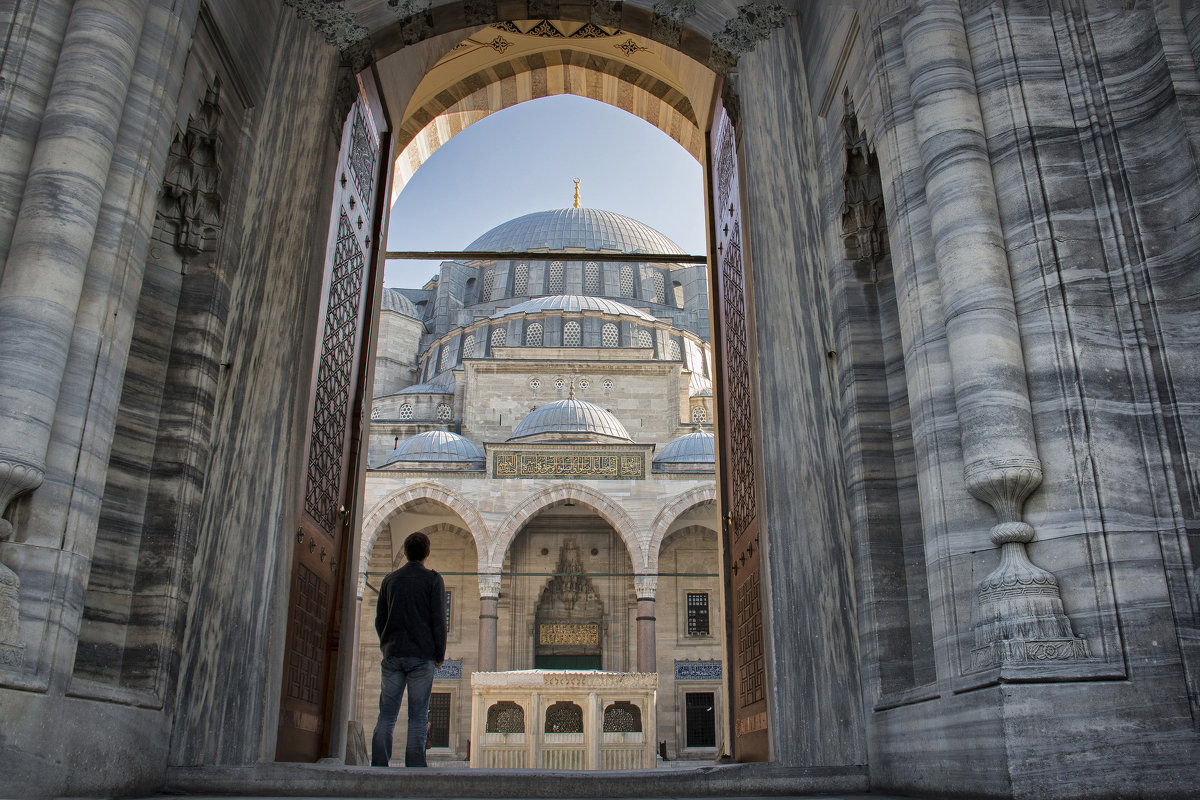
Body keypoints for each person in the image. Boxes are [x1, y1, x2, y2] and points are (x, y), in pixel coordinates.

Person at [371, 531, 446, 767]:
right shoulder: (433, 580)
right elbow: (438, 621)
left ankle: (379, 765)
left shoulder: (389, 580)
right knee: (418, 716)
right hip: (421, 656)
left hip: (393, 654)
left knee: (387, 715)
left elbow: (379, 619)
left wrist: (387, 645)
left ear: (405, 552)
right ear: (427, 553)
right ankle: (414, 768)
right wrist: (439, 655)